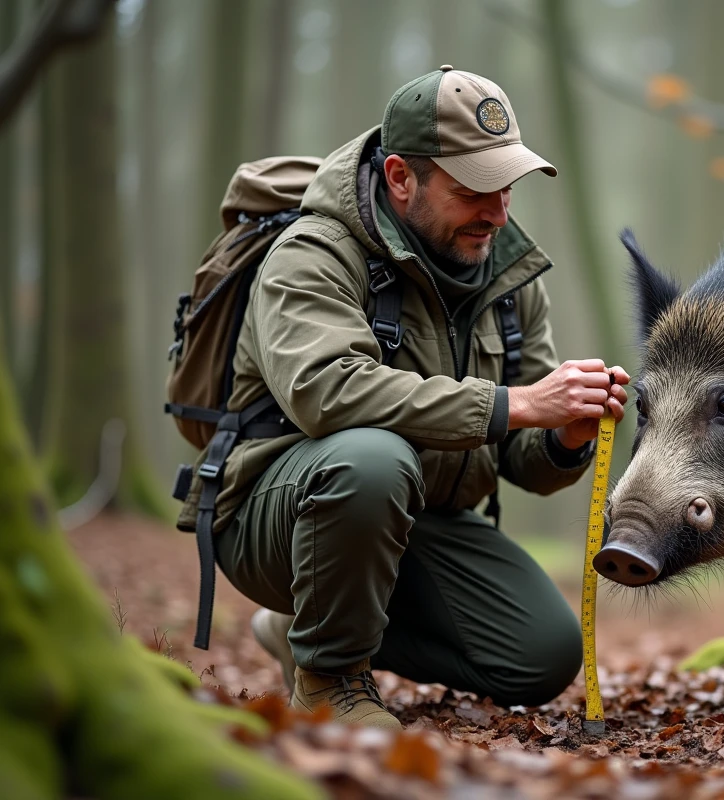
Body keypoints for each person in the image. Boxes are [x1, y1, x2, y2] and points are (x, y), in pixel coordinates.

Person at [176, 66, 629, 729]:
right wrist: (518, 405)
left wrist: (565, 433)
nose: (497, 212)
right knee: (370, 458)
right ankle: (329, 678)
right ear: (399, 177)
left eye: (506, 186)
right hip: (277, 514)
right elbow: (327, 394)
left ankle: (304, 628)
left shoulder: (507, 272)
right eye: (474, 189)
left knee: (543, 654)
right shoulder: (314, 253)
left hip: (419, 521)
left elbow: (523, 460)